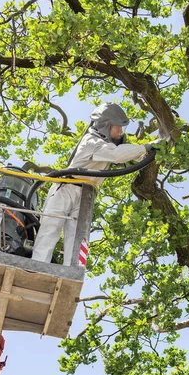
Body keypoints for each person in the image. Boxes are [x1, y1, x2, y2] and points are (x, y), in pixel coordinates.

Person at [31, 102, 154, 266]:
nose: (121, 132)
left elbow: (127, 154)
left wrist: (152, 149)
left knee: (77, 238)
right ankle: (37, 267)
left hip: (86, 194)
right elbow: (117, 155)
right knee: (50, 230)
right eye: (118, 127)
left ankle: (71, 274)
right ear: (106, 126)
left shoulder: (106, 146)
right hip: (66, 187)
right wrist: (146, 146)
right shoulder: (92, 142)